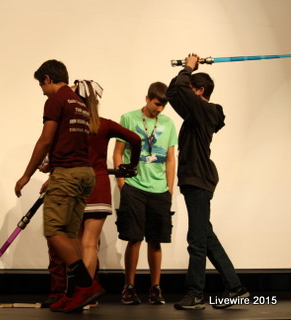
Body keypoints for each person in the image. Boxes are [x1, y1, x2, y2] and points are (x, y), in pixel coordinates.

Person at [42, 80, 142, 308]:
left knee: (74, 244)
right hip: (98, 187)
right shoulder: (104, 125)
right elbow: (135, 139)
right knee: (89, 244)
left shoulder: (71, 124)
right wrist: (131, 166)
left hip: (74, 187)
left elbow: (58, 151)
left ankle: (76, 293)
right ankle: (84, 294)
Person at [14, 60, 104, 313]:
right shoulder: (80, 103)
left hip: (68, 175)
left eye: (41, 85)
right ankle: (75, 293)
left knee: (54, 232)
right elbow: (70, 142)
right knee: (68, 233)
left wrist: (26, 176)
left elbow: (45, 140)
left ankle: (86, 285)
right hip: (84, 173)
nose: (42, 90)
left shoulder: (56, 100)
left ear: (47, 78)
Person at [166, 53, 250, 310]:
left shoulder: (204, 110)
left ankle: (195, 294)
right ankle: (236, 287)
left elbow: (181, 88)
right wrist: (186, 72)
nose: (187, 93)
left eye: (192, 88)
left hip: (199, 179)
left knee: (197, 240)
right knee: (205, 236)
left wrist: (189, 67)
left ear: (200, 90)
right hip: (196, 179)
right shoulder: (196, 114)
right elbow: (173, 93)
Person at [113, 82, 177, 305]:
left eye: (163, 106)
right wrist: (122, 183)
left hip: (160, 190)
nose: (159, 109)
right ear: (147, 98)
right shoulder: (129, 118)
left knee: (156, 240)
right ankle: (128, 287)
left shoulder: (169, 124)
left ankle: (155, 288)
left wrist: (169, 188)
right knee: (134, 238)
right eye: (157, 104)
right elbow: (118, 153)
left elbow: (171, 158)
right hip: (135, 187)